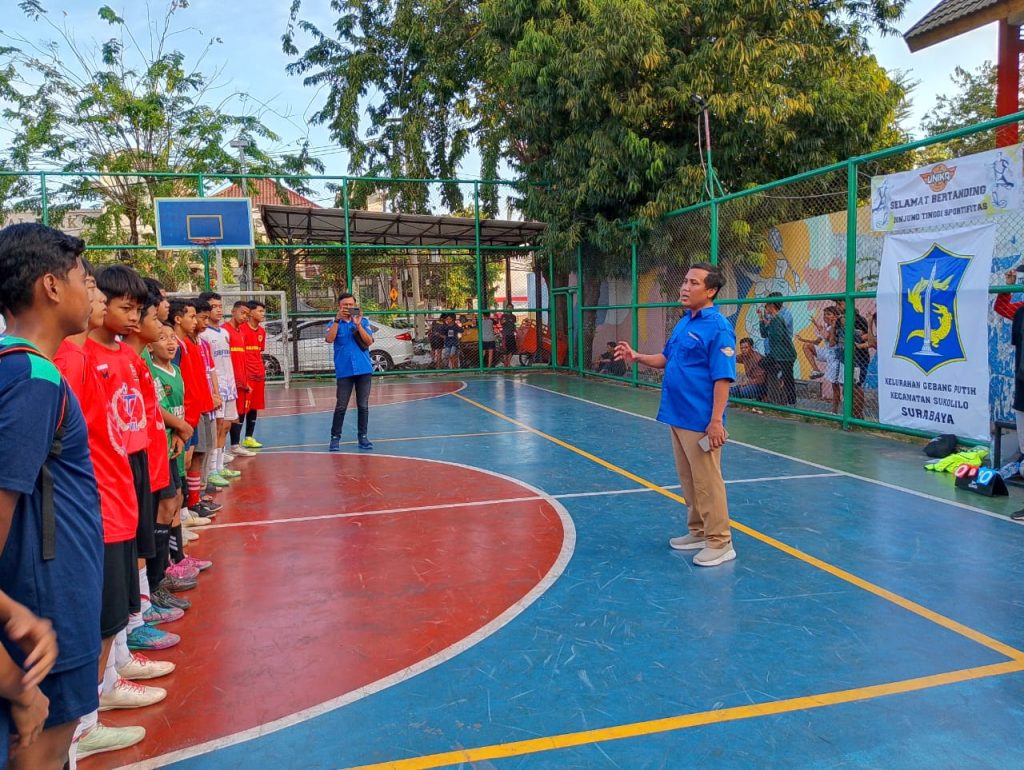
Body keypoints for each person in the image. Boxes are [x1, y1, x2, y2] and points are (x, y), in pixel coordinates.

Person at [0, 223, 104, 769]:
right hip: (47, 610)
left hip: (42, 598)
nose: (92, 293)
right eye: (84, 279)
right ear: (51, 286)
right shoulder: (34, 378)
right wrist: (17, 681)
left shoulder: (12, 363)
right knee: (40, 755)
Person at [615, 262, 737, 567]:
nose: (685, 287)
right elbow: (666, 358)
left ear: (711, 291)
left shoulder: (719, 328)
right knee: (689, 480)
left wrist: (716, 421)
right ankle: (697, 531)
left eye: (693, 283)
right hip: (677, 414)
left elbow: (723, 378)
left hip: (700, 418)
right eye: (685, 281)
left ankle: (720, 542)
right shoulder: (685, 323)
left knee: (708, 482)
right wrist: (638, 357)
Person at [325, 294, 374, 452]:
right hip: (344, 370)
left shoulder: (364, 321)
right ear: (339, 306)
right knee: (341, 406)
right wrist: (338, 320)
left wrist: (358, 325)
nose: (348, 307)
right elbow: (329, 339)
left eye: (351, 304)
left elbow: (369, 341)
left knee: (363, 405)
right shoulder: (333, 323)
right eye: (345, 305)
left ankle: (363, 436)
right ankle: (335, 438)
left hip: (363, 369)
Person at [225, 302, 255, 457]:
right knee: (226, 418)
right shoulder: (225, 331)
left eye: (247, 315)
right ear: (233, 311)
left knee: (240, 413)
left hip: (242, 382)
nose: (245, 317)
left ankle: (235, 444)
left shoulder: (241, 332)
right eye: (243, 313)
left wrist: (245, 381)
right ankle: (222, 450)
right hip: (230, 383)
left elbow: (241, 359)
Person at [757, 298, 796, 404]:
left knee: (788, 381)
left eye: (767, 305)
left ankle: (792, 403)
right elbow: (764, 334)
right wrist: (761, 319)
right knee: (762, 363)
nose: (766, 308)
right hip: (776, 354)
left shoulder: (778, 319)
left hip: (785, 354)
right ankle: (780, 374)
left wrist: (769, 323)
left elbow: (778, 336)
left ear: (771, 306)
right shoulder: (773, 319)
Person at [240, 300, 267, 449]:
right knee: (243, 407)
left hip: (258, 374)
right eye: (260, 311)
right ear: (250, 313)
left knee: (254, 407)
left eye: (263, 311)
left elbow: (259, 352)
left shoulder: (262, 332)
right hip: (246, 375)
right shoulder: (242, 329)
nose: (263, 314)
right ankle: (235, 442)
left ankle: (249, 437)